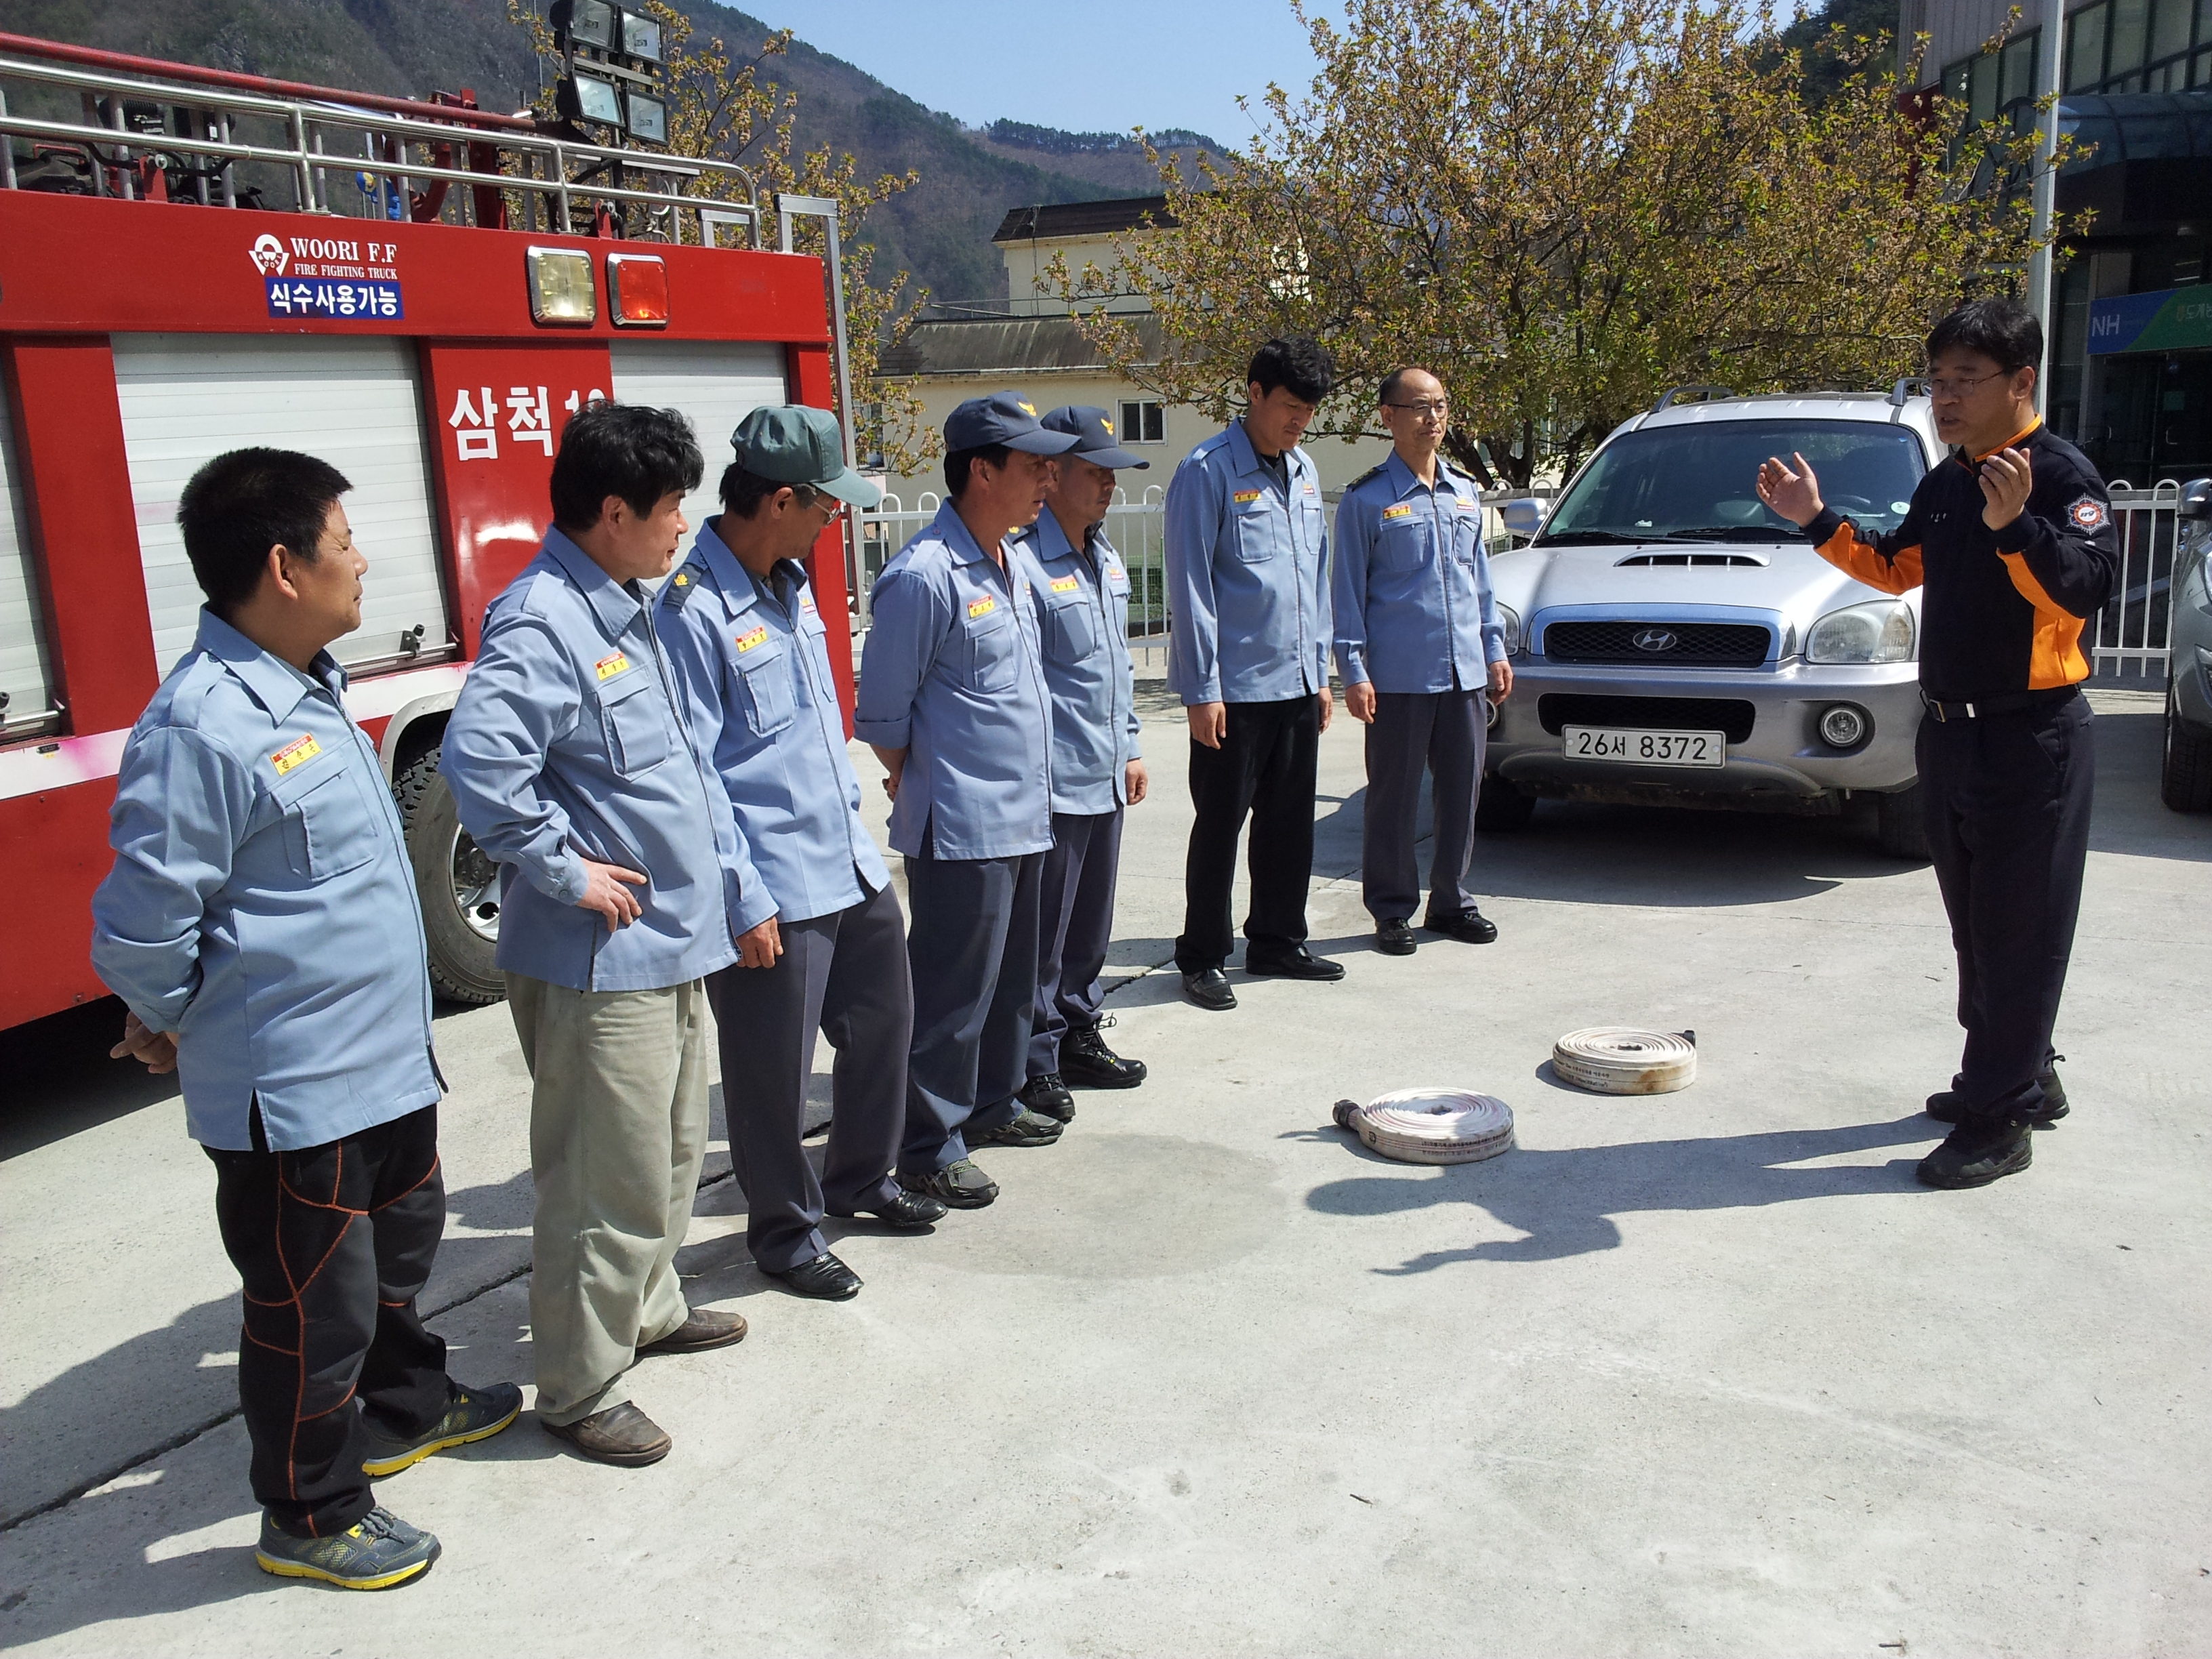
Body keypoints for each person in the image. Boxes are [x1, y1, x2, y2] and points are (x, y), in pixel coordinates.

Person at [91, 448, 520, 1591]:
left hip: (383, 1065)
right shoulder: (200, 725)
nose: (361, 560)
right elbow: (140, 925)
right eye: (343, 542)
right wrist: (173, 1018)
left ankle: (407, 1404)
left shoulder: (307, 685)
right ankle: (311, 1509)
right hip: (294, 1089)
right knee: (309, 1310)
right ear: (284, 568)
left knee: (398, 1253)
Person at [1756, 296, 2118, 1190]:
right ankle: (2019, 1071)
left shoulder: (2059, 476)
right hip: (1950, 734)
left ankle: (2003, 1117)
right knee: (1978, 929)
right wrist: (1815, 518)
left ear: (2021, 382)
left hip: (2031, 738)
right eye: (1937, 380)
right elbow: (1894, 566)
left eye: (1966, 380)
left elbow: (2082, 590)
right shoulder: (1951, 479)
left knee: (2021, 930)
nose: (1945, 398)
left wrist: (2018, 526)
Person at [443, 403, 745, 1469]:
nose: (682, 526)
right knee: (596, 1179)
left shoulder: (626, 604)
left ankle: (648, 1308)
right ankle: (579, 1386)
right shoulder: (545, 621)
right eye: (671, 508)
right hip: (597, 963)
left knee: (666, 1153)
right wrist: (563, 869)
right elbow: (481, 766)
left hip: (666, 944)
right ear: (615, 512)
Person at [655, 406, 945, 1303]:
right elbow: (695, 772)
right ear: (781, 501)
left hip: (844, 860)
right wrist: (741, 895)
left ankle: (861, 1178)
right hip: (772, 882)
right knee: (771, 1077)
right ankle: (784, 1233)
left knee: (886, 1025)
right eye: (826, 505)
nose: (834, 520)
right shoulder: (692, 611)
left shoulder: (792, 582)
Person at [854, 391, 1078, 1209]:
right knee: (951, 996)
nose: (1048, 480)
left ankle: (991, 1103)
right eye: (1032, 466)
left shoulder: (1009, 560)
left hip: (1024, 815)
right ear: (981, 471)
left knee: (1011, 985)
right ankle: (927, 1143)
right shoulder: (923, 576)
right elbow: (883, 717)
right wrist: (923, 775)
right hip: (962, 824)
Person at [1166, 335, 1340, 1011]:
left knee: (1290, 822)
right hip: (1233, 691)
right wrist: (1201, 690)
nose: (1300, 421)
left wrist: (1320, 671)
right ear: (1255, 393)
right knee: (1220, 824)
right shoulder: (1207, 471)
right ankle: (1202, 955)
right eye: (1291, 406)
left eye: (1310, 410)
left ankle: (1276, 939)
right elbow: (1190, 587)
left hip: (1294, 682)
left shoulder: (1304, 470)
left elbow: (1315, 577)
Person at [1332, 367, 1513, 956]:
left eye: (1439, 405)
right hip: (1399, 676)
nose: (1432, 418)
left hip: (1464, 671)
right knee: (1394, 798)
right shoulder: (1366, 500)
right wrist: (1353, 671)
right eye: (1418, 407)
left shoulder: (1464, 492)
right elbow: (1347, 593)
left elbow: (1478, 580)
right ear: (1388, 416)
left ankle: (1452, 900)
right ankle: (1392, 908)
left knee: (1462, 791)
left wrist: (1493, 648)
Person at [1012, 406, 1151, 1125]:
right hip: (1054, 782)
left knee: (1091, 925)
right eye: (1095, 473)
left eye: (1114, 474)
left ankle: (1077, 1033)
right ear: (1054, 473)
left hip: (1103, 771)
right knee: (1045, 933)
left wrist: (1130, 744)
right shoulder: (1023, 564)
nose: (1109, 487)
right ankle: (1034, 1058)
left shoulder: (1105, 558)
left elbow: (1116, 668)